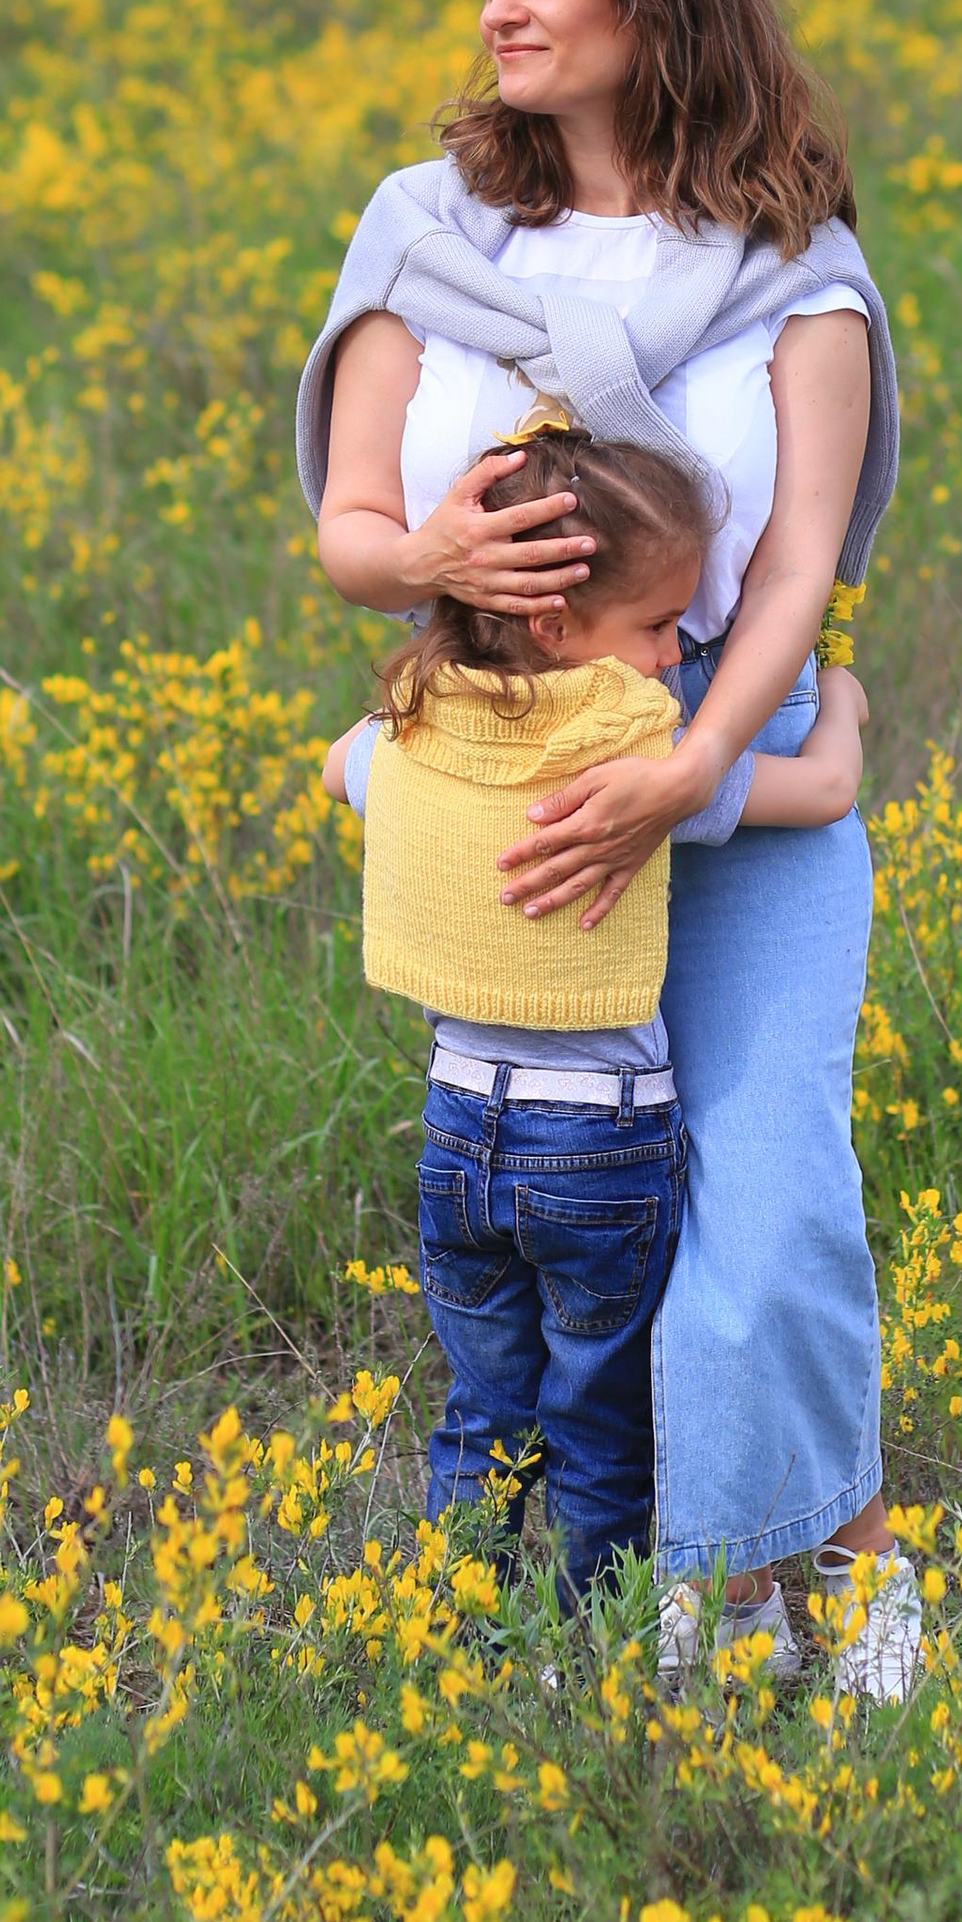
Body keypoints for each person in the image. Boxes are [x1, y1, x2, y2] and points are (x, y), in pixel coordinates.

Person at [299, 0, 922, 1706]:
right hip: (514, 754)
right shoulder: (427, 235)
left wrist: (706, 760)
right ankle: (692, 1621)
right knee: (595, 1214)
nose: (501, 8)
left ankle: (848, 1596)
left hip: (722, 725)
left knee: (770, 1196)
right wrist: (427, 559)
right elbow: (350, 528)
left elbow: (797, 567)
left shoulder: (794, 269)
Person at [321, 418, 870, 1605]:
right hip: (598, 1152)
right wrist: (842, 702)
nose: (677, 655)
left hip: (457, 1132)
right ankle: (598, 1648)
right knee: (600, 1430)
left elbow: (335, 765)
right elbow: (826, 789)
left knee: (482, 1414)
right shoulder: (633, 771)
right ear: (557, 624)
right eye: (661, 625)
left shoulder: (421, 731)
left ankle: (453, 1630)